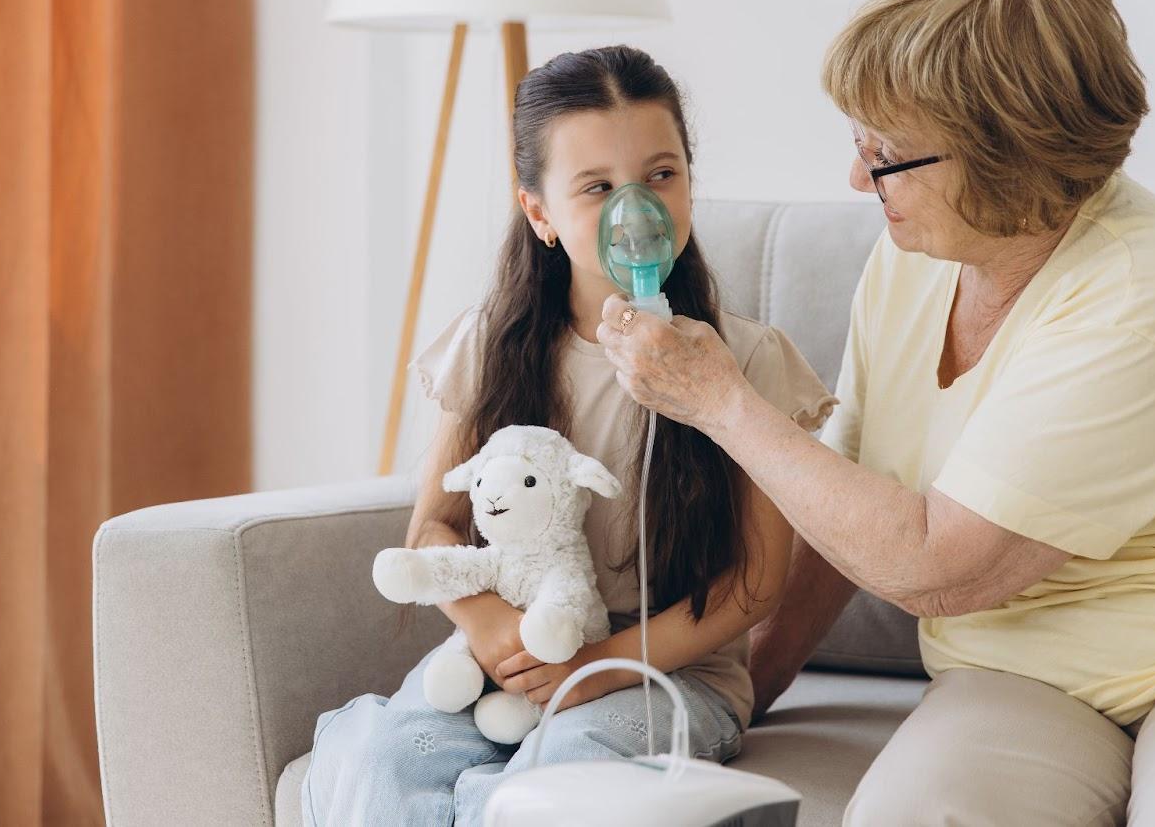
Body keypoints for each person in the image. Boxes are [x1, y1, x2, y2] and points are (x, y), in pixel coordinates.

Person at [599, 0, 1155, 825]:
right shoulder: (915, 257)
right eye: (859, 139)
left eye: (887, 152)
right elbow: (847, 505)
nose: (857, 176)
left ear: (1009, 159)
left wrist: (722, 402)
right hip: (1016, 671)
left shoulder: (1150, 288)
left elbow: (935, 566)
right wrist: (746, 692)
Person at [302, 45, 835, 826]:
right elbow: (434, 526)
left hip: (669, 679)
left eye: (661, 175)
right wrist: (494, 628)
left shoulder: (748, 362)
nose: (638, 211)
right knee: (388, 759)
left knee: (560, 772)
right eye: (598, 188)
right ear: (540, 212)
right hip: (511, 661)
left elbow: (755, 581)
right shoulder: (492, 345)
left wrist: (600, 665)